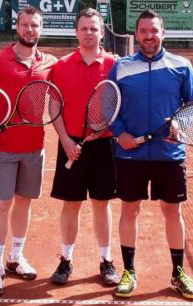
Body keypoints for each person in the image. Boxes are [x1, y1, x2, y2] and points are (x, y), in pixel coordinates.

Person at [109, 10, 193, 299]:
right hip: (130, 155)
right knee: (129, 210)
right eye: (144, 31)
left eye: (154, 31)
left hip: (169, 154)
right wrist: (120, 133)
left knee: (172, 212)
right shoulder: (121, 67)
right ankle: (129, 271)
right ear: (136, 34)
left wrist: (179, 126)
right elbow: (108, 104)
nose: (149, 36)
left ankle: (178, 273)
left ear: (163, 33)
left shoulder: (182, 66)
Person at [0, 6, 57, 296]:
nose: (30, 30)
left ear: (40, 28)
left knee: (24, 204)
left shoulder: (50, 62)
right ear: (17, 27)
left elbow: (59, 99)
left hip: (35, 147)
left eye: (34, 25)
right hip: (2, 149)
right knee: (1, 205)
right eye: (25, 25)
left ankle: (15, 256)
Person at [49, 8, 119, 286]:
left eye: (93, 29)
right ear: (76, 32)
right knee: (71, 204)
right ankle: (65, 260)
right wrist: (66, 140)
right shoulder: (62, 65)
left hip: (104, 145)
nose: (88, 33)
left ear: (101, 32)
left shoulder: (115, 64)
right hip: (70, 143)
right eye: (84, 28)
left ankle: (106, 260)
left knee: (101, 204)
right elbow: (54, 104)